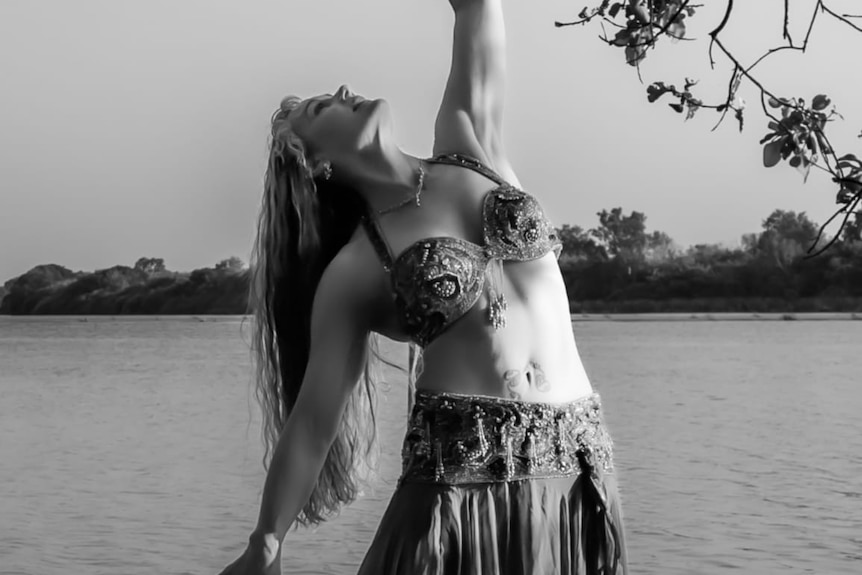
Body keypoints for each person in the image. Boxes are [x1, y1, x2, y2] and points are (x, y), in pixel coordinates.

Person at [219, 1, 627, 573]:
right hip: (457, 495)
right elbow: (314, 419)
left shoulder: (470, 145)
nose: (341, 88)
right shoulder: (358, 267)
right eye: (319, 107)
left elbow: (478, 10)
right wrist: (267, 539)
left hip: (575, 478)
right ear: (314, 165)